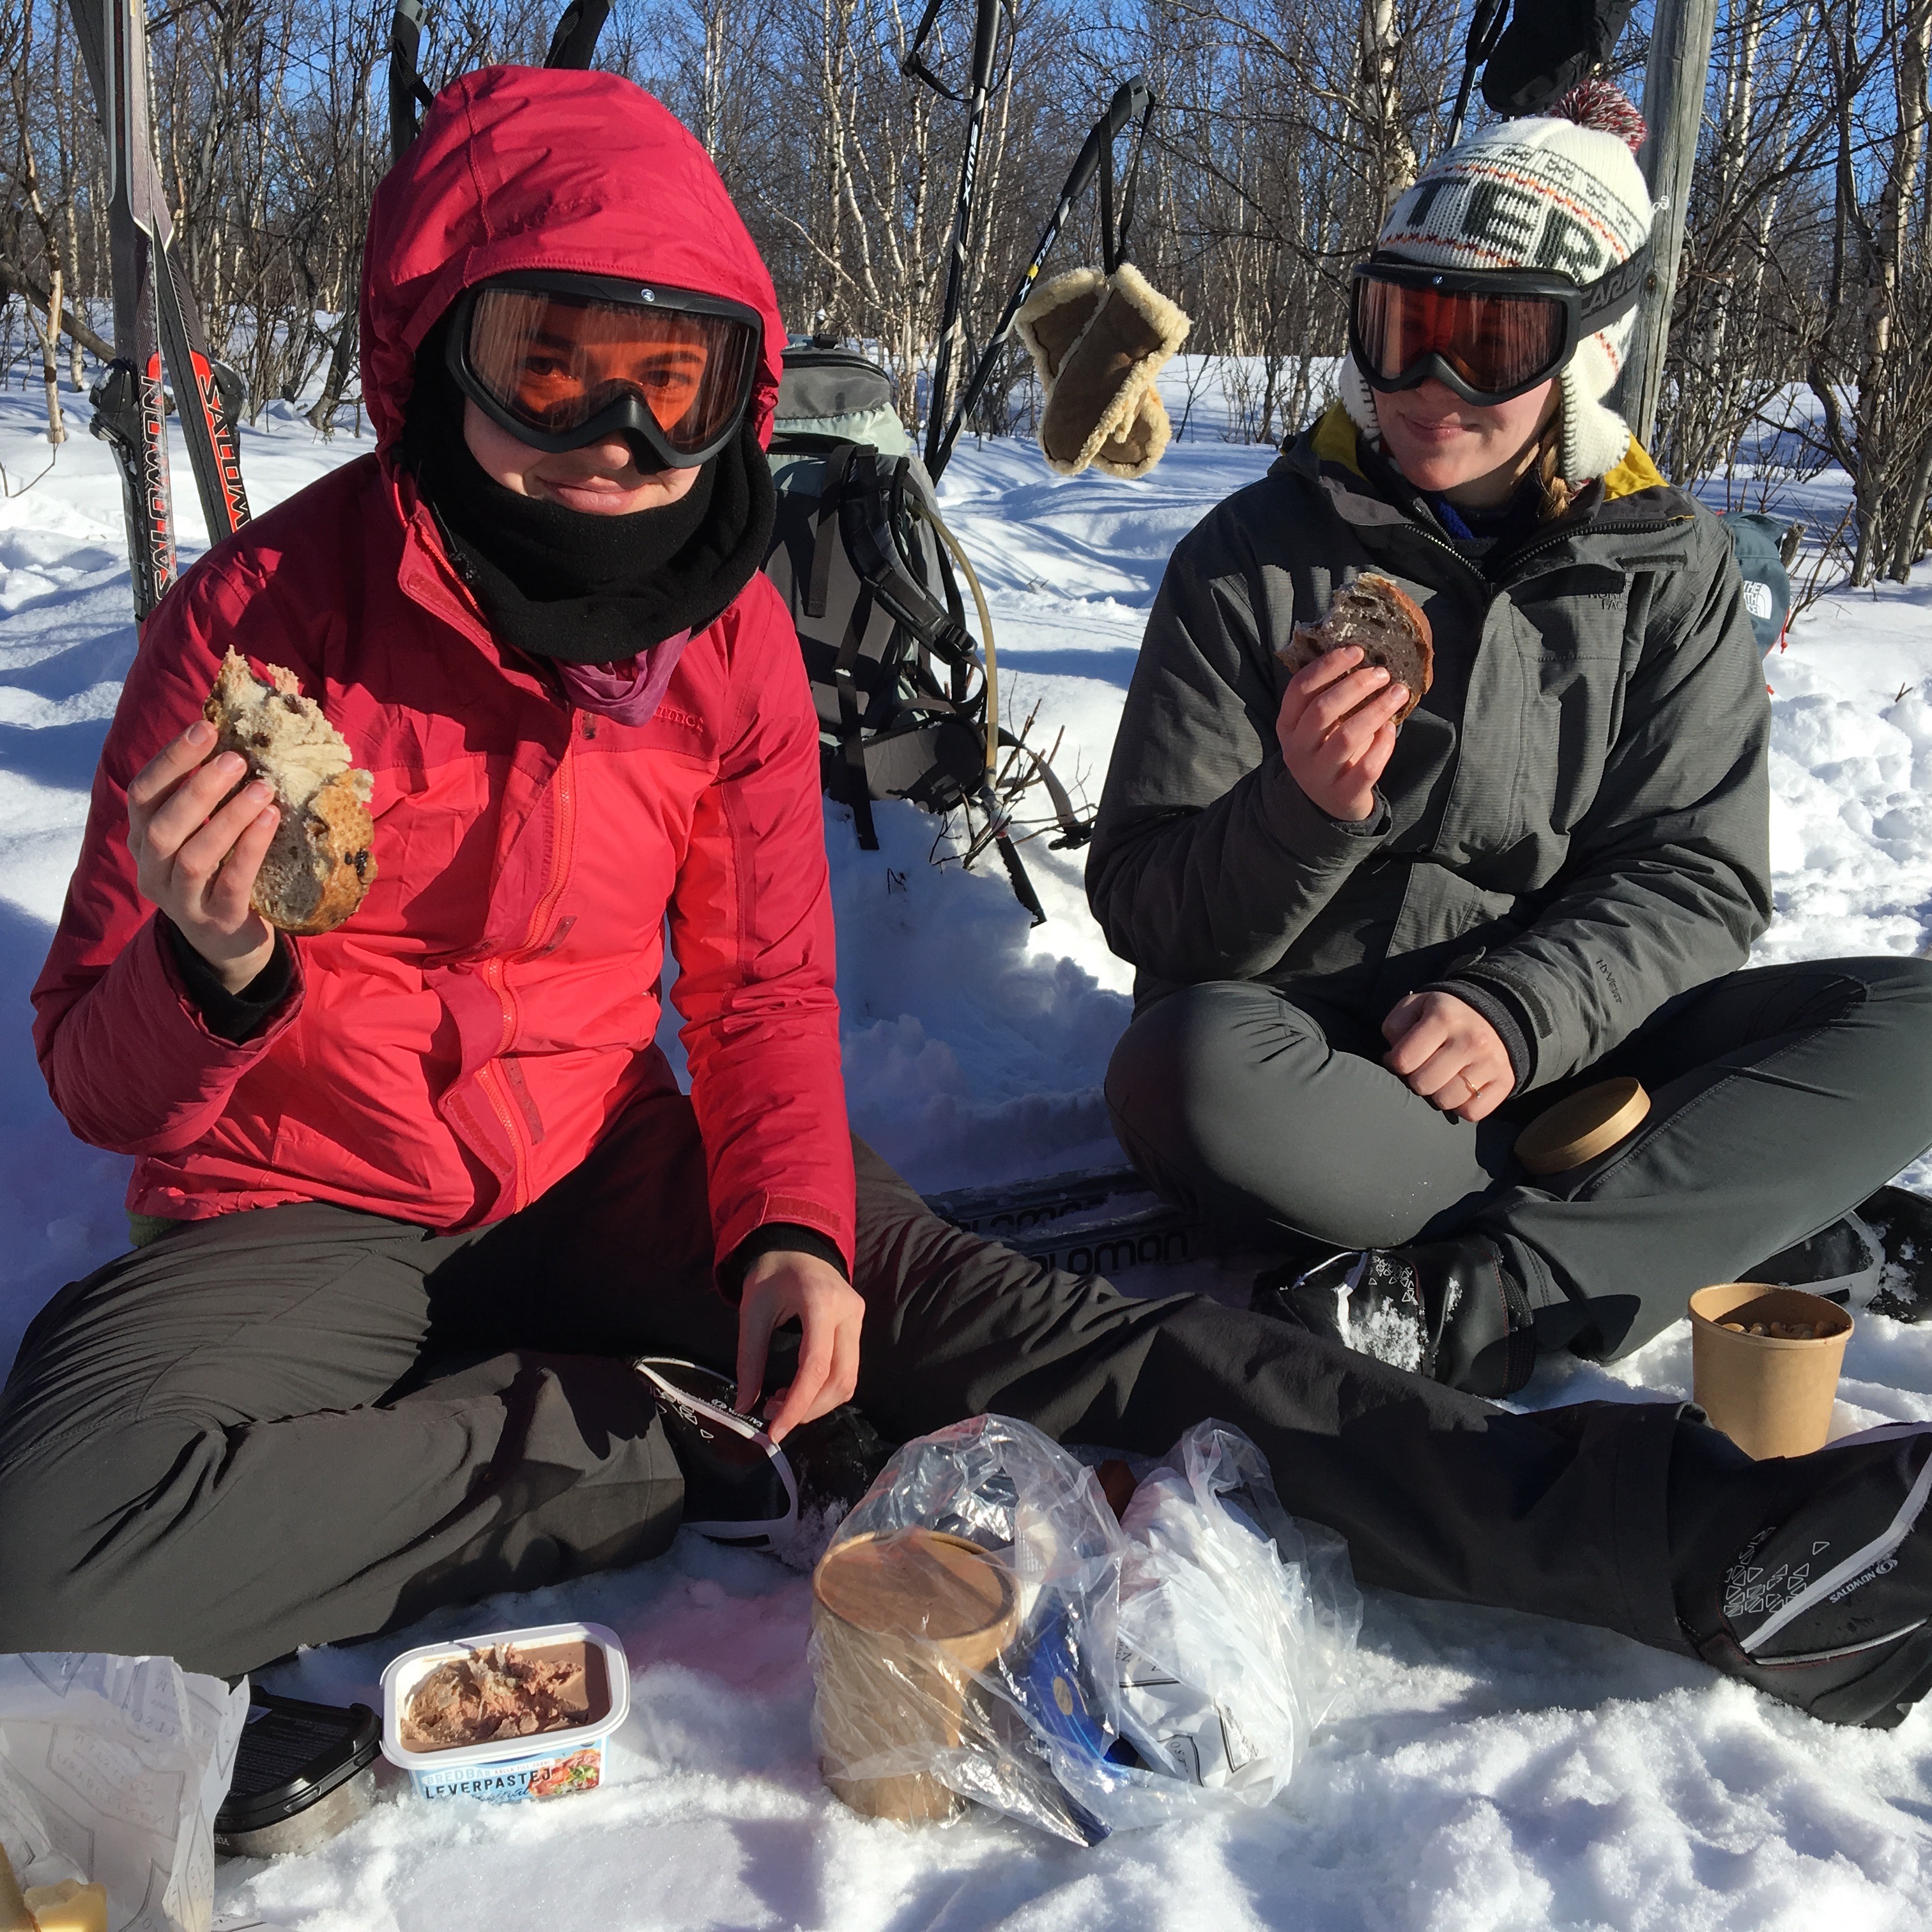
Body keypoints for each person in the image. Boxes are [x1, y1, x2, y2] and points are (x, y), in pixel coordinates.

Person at [3, 67, 1931, 1736]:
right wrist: (215, 964)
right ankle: (664, 1440)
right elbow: (98, 1080)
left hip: (601, 1157)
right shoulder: (246, 628)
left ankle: (1686, 1539)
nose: (617, 451)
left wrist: (791, 1235)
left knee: (1058, 1343)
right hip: (295, 1208)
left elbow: (757, 987)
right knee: (54, 1556)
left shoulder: (724, 627)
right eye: (549, 371)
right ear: (432, 353)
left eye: (671, 385)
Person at [1090, 84, 1932, 1399]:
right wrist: (1298, 813)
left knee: (1915, 1019)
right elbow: (1146, 905)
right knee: (1182, 1073)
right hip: (1328, 1079)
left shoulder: (1670, 570)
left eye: (1489, 344)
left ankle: (1493, 1293)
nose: (1428, 385)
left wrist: (1520, 1009)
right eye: (1400, 328)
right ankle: (1711, 1211)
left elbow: (1695, 876)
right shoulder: (1251, 559)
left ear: (1588, 352)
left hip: (1578, 1056)